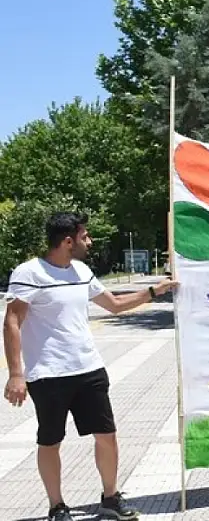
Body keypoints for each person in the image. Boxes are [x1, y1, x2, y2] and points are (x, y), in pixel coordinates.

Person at [3, 212, 178, 521]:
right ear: (67, 241)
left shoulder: (81, 270)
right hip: (48, 374)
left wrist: (154, 291)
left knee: (107, 434)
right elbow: (12, 321)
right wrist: (16, 374)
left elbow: (115, 304)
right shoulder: (29, 273)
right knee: (50, 440)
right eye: (85, 236)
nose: (90, 241)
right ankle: (57, 506)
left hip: (89, 369)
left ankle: (110, 498)